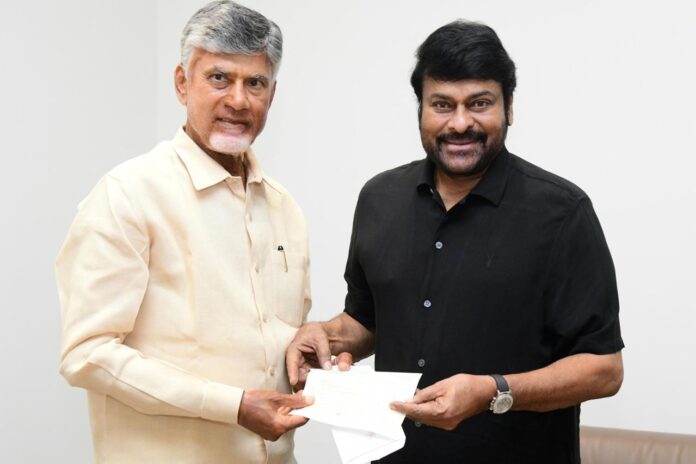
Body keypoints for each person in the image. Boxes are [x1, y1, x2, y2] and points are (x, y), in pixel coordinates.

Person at [286, 20, 624, 463]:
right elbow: (369, 320)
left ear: (509, 107)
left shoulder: (563, 213)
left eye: (479, 103)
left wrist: (493, 392)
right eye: (442, 105)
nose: (460, 123)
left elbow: (604, 369)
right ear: (421, 110)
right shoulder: (379, 198)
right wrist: (327, 336)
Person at [56, 2, 312, 462]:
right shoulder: (128, 194)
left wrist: (307, 357)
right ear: (181, 82)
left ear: (272, 95)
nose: (238, 100)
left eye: (255, 83)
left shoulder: (284, 207)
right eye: (219, 78)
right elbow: (87, 355)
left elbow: (272, 344)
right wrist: (232, 405)